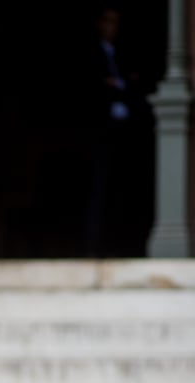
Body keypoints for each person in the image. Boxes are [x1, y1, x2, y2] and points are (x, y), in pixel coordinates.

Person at [85, 4, 155, 257]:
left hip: (124, 133)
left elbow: (132, 84)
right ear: (98, 24)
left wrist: (118, 84)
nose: (112, 28)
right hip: (100, 132)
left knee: (122, 190)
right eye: (108, 21)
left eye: (115, 22)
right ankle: (95, 248)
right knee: (99, 190)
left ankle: (121, 244)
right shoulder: (91, 54)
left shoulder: (123, 55)